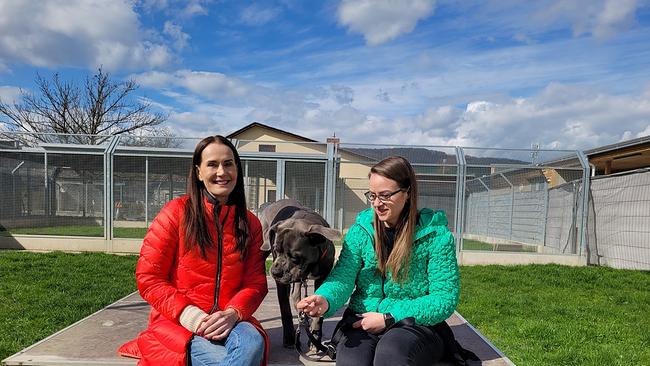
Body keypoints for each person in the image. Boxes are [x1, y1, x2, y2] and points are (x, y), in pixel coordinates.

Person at [118, 135, 269, 366]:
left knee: (252, 345)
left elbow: (256, 283)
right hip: (179, 322)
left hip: (231, 322)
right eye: (212, 164)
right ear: (198, 172)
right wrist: (192, 316)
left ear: (237, 169)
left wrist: (233, 313)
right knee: (223, 360)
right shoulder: (175, 213)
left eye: (228, 163)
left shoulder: (250, 223)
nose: (222, 172)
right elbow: (149, 278)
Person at [297, 156, 461, 366]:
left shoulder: (436, 236)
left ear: (408, 193)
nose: (376, 204)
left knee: (391, 356)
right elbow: (343, 277)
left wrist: (390, 317)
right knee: (351, 362)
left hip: (414, 323)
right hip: (363, 318)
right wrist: (324, 298)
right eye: (372, 196)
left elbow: (444, 298)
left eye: (385, 195)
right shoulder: (360, 232)